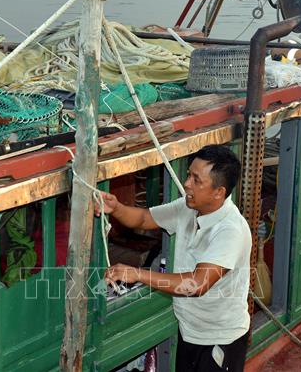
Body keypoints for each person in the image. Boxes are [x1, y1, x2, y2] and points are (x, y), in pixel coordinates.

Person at [97, 144, 252, 371]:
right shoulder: (189, 207)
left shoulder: (230, 230)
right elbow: (143, 219)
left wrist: (138, 274)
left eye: (197, 180)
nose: (187, 183)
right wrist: (116, 207)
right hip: (189, 330)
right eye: (189, 174)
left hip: (219, 338)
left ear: (219, 192)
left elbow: (198, 284)